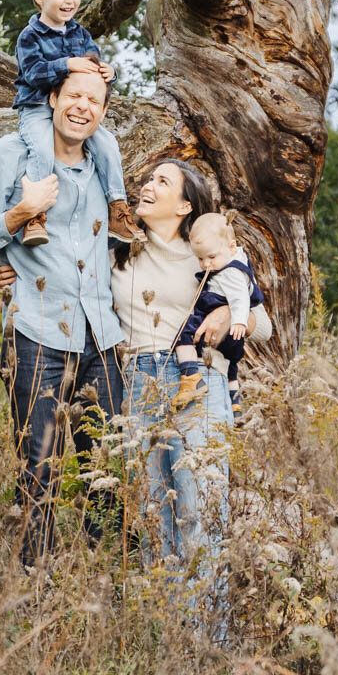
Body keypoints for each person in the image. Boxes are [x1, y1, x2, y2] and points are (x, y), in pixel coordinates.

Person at [0, 68, 124, 570]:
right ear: (51, 98)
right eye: (73, 95)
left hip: (103, 336)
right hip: (36, 334)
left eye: (94, 100)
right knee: (39, 467)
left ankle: (106, 583)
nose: (82, 107)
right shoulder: (10, 154)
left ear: (103, 110)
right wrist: (19, 214)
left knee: (108, 467)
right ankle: (37, 585)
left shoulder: (102, 163)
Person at [111, 161, 273, 619]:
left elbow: (263, 324)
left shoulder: (208, 256)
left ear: (185, 205)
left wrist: (225, 319)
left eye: (163, 181)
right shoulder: (118, 251)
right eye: (147, 179)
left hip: (200, 380)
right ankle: (165, 642)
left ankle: (208, 645)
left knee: (199, 511)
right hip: (138, 379)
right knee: (153, 513)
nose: (148, 185)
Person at [14, 0, 144, 248]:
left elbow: (94, 62)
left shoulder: (80, 33)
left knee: (107, 144)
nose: (70, 0)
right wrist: (67, 64)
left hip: (72, 109)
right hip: (37, 106)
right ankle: (34, 215)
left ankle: (117, 209)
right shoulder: (30, 36)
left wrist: (107, 71)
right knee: (42, 150)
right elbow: (33, 74)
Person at [175, 212, 265, 423]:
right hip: (232, 334)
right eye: (200, 259)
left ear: (232, 247)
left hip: (223, 317)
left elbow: (240, 298)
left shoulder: (232, 272)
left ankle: (190, 377)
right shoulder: (231, 260)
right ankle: (235, 404)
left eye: (211, 257)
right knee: (232, 365)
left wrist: (240, 321)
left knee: (184, 335)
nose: (206, 264)